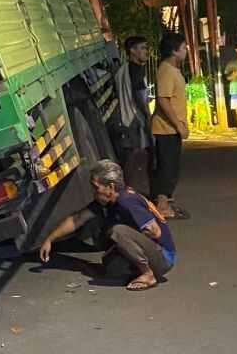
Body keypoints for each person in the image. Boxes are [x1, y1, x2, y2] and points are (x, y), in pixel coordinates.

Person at [38, 159, 175, 291]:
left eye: (96, 187)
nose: (94, 192)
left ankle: (148, 274)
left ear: (110, 187)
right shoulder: (108, 200)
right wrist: (50, 239)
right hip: (153, 251)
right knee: (112, 266)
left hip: (163, 256)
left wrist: (128, 237)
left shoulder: (127, 201)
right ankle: (137, 264)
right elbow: (77, 218)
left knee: (117, 231)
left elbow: (155, 231)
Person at [151, 32, 190, 220]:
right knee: (167, 168)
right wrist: (178, 125)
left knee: (172, 167)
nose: (186, 51)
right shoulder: (166, 70)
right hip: (165, 129)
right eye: (183, 48)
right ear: (174, 51)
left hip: (172, 129)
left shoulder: (173, 70)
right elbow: (163, 100)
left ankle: (165, 202)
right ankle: (161, 206)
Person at [112, 36, 152, 190]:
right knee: (134, 162)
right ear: (132, 51)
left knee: (129, 161)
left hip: (124, 118)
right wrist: (148, 117)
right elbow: (140, 97)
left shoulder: (122, 70)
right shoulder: (136, 71)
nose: (145, 52)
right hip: (133, 119)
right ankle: (129, 194)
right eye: (142, 48)